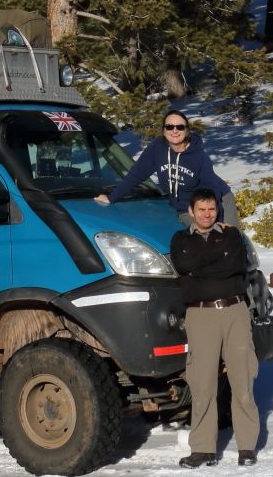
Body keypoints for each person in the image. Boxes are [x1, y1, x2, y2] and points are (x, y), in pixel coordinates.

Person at [170, 189, 259, 468]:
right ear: (191, 211)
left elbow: (235, 264)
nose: (207, 215)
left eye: (212, 210)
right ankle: (203, 449)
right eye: (202, 210)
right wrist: (214, 263)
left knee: (242, 380)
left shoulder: (232, 236)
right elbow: (183, 264)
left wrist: (201, 268)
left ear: (217, 210)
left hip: (234, 311)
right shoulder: (180, 239)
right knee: (202, 383)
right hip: (200, 314)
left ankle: (246, 447)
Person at [94, 110, 239, 225]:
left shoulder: (198, 156)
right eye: (169, 126)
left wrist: (218, 220)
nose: (174, 131)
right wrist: (111, 197)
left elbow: (212, 189)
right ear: (163, 131)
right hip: (185, 208)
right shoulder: (157, 148)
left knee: (229, 239)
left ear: (187, 130)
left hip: (217, 200)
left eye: (180, 127)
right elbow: (136, 174)